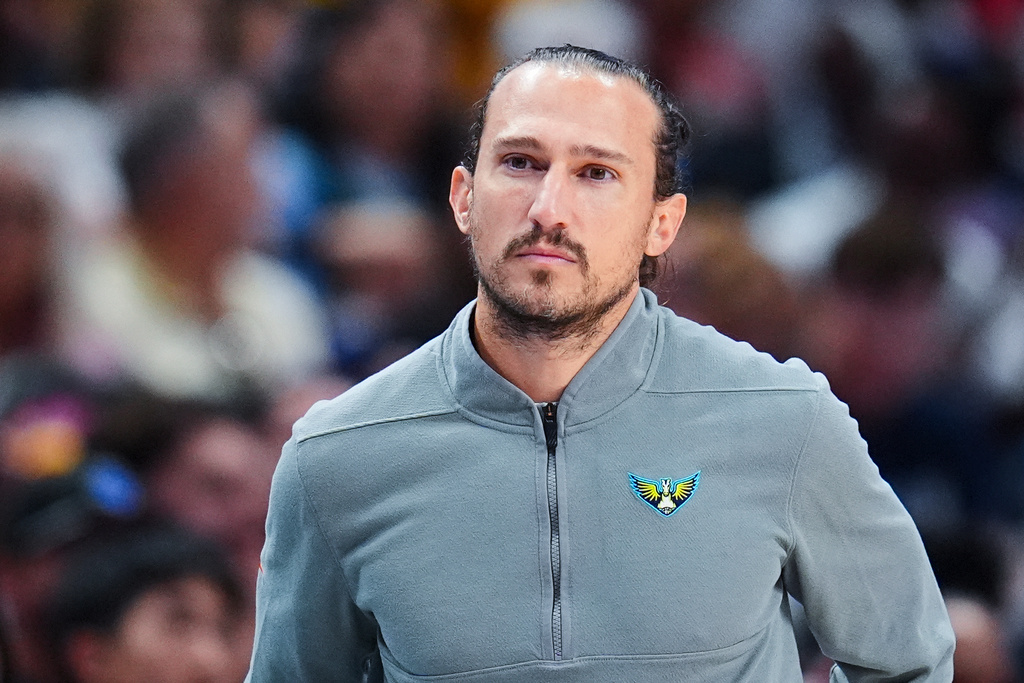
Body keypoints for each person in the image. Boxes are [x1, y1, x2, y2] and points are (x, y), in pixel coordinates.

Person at [247, 45, 955, 681]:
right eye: (520, 162)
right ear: (464, 197)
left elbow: (910, 661)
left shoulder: (788, 419)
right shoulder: (335, 455)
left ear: (661, 223)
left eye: (596, 172)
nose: (549, 207)